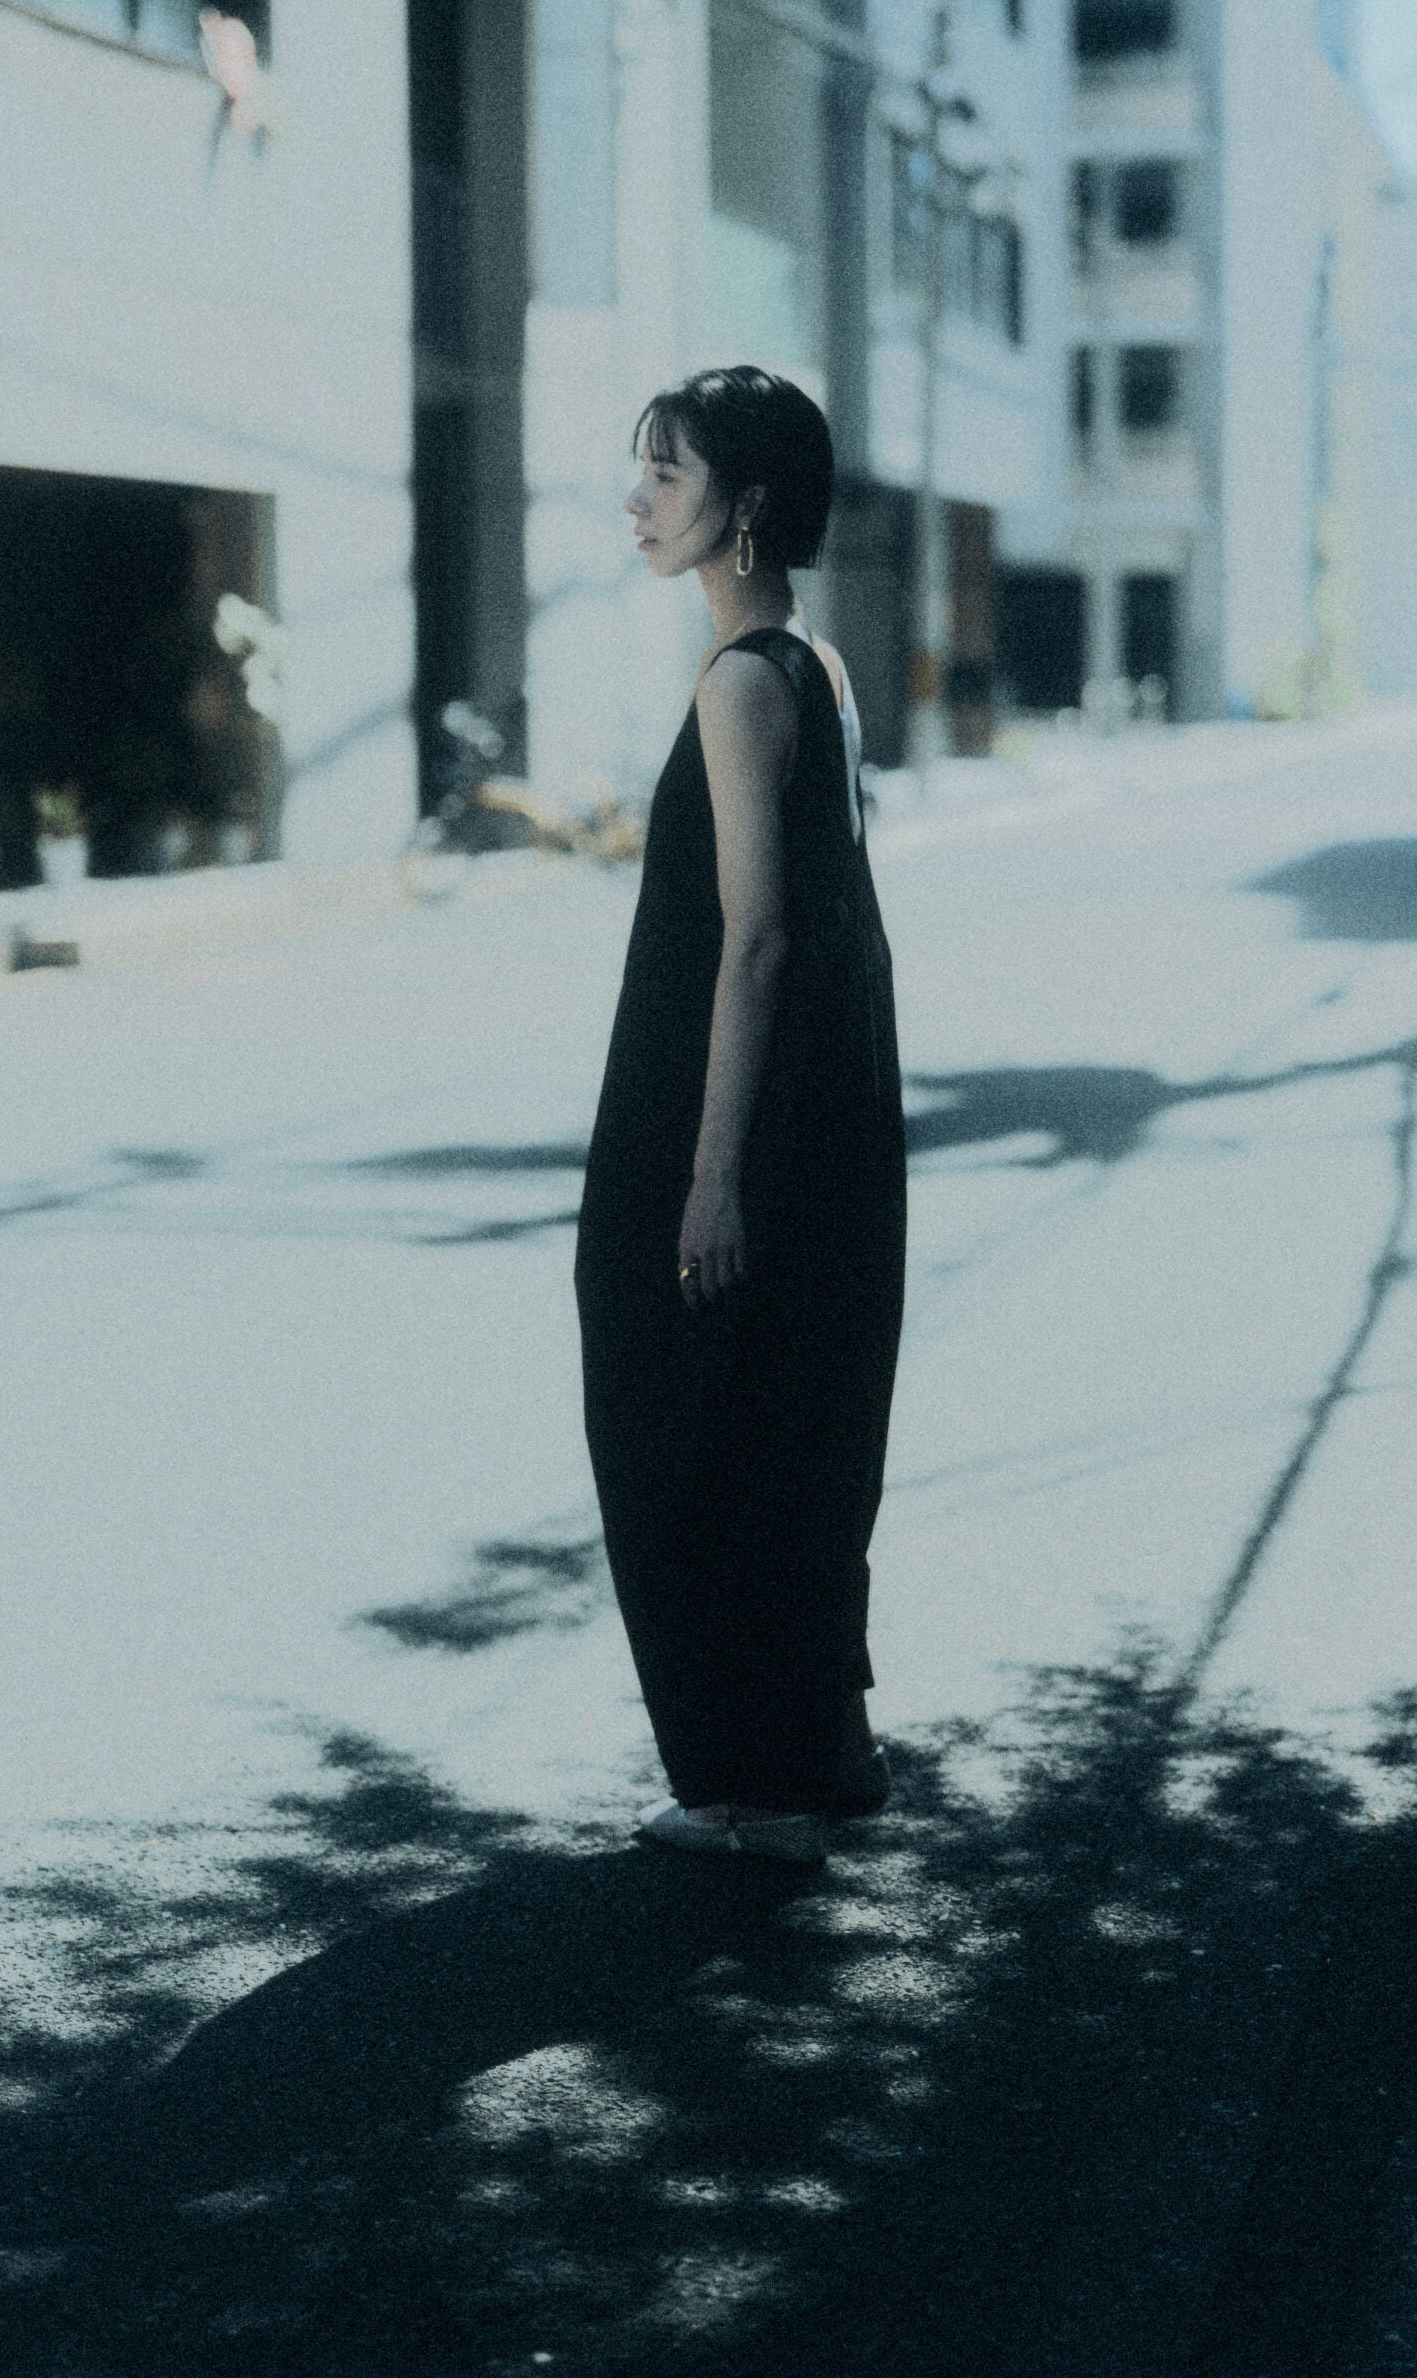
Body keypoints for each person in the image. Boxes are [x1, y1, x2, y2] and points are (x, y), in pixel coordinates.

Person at [574, 366, 907, 1866]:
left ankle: (749, 1787)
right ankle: (822, 1748)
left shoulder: (739, 683)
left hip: (718, 1109)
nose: (638, 501)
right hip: (818, 1109)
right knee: (791, 1414)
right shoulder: (811, 664)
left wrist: (709, 1176)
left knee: (684, 1420)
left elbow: (758, 937)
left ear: (746, 504)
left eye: (667, 473)